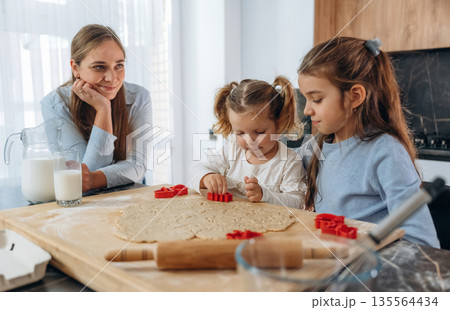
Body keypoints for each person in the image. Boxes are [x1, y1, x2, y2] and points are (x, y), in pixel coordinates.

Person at [297, 37, 440, 247]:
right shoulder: (317, 145)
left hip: (371, 271)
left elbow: (422, 243)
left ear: (355, 96)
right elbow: (276, 163)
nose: (306, 110)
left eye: (316, 99)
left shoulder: (385, 152)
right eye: (306, 99)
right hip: (335, 261)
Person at [41, 24, 152, 192]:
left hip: (130, 194)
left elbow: (137, 165)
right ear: (75, 68)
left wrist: (93, 179)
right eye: (99, 67)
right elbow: (83, 172)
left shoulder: (139, 97)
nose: (112, 78)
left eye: (119, 65)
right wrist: (103, 109)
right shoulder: (55, 103)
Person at [192, 77, 307, 208]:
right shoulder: (232, 151)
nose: (250, 141)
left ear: (279, 124)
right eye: (240, 133)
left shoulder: (289, 162)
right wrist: (207, 177)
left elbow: (297, 203)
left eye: (259, 132)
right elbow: (196, 170)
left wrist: (264, 195)